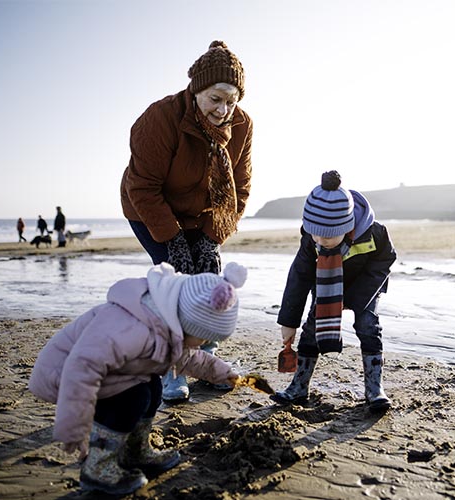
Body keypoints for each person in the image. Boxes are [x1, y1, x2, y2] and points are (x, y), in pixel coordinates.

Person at [28, 261, 247, 495]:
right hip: (64, 377)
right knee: (133, 397)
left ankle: (135, 450)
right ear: (185, 322)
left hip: (100, 374)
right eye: (202, 338)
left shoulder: (165, 322)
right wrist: (74, 427)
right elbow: (82, 369)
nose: (203, 344)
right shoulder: (131, 328)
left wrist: (225, 373)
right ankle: (98, 467)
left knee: (152, 387)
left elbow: (189, 359)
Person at [120, 40, 253, 402]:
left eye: (231, 100)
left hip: (206, 214)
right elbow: (143, 188)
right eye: (215, 99)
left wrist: (211, 240)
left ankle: (206, 361)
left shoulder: (241, 125)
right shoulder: (158, 119)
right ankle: (174, 370)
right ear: (196, 90)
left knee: (209, 284)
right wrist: (174, 243)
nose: (224, 109)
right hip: (150, 208)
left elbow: (239, 188)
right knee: (175, 288)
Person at [270, 171, 397, 413]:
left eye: (328, 235)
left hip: (364, 287)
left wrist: (356, 299)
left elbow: (386, 260)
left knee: (368, 326)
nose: (321, 240)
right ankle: (298, 386)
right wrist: (288, 321)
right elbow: (299, 277)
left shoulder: (374, 233)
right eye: (315, 233)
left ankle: (374, 388)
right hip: (327, 284)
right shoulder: (311, 240)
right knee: (310, 330)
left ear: (347, 225)